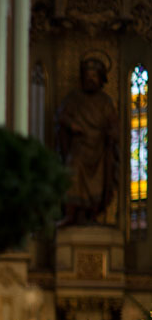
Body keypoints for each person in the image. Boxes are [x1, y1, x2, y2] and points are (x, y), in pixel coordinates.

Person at [55, 55, 119, 226]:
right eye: (87, 76)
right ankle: (70, 215)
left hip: (98, 151)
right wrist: (72, 124)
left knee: (98, 184)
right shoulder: (74, 98)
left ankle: (91, 216)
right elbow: (61, 117)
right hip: (79, 148)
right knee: (71, 175)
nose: (90, 79)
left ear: (101, 79)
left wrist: (112, 134)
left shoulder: (105, 101)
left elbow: (113, 124)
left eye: (94, 76)